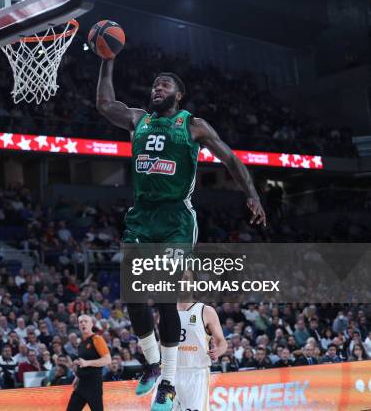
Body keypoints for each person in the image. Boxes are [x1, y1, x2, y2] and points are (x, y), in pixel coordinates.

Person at [95, 52, 265, 410]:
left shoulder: (193, 125)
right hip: (141, 218)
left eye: (165, 84)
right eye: (155, 84)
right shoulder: (138, 119)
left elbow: (231, 159)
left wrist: (251, 195)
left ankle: (169, 383)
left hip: (176, 222)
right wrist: (107, 59)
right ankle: (154, 364)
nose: (157, 88)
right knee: (134, 299)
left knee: (165, 298)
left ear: (179, 95)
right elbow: (105, 103)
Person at [172, 301, 227, 411]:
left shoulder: (206, 311)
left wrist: (218, 350)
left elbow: (222, 342)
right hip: (170, 371)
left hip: (196, 372)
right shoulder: (167, 310)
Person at [66, 315, 111, 411]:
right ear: (78, 326)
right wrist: (77, 377)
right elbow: (82, 363)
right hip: (81, 384)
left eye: (85, 321)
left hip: (93, 385)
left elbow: (107, 360)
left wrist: (87, 363)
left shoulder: (97, 339)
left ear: (91, 324)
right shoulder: (81, 343)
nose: (83, 323)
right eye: (80, 322)